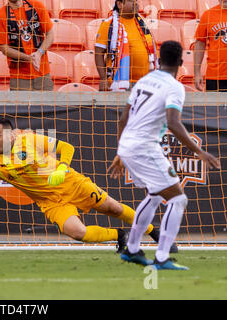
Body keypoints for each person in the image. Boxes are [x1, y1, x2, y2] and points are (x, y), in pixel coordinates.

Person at [0, 118, 170, 250]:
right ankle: (120, 236)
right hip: (50, 201)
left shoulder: (30, 139)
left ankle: (152, 231)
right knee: (78, 233)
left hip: (71, 183)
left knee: (113, 208)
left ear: (11, 133)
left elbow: (66, 147)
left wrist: (63, 168)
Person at [109, 41, 221, 270]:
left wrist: (120, 151)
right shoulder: (174, 87)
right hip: (144, 147)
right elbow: (173, 122)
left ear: (159, 60)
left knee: (155, 196)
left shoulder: (144, 80)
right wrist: (199, 151)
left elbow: (123, 118)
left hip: (129, 145)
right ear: (181, 63)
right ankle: (161, 258)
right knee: (178, 199)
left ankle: (131, 250)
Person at [95, 0, 158, 91]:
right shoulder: (109, 24)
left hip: (144, 84)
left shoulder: (142, 25)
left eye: (136, 1)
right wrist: (103, 78)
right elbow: (99, 53)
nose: (135, 4)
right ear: (120, 4)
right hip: (119, 83)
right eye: (131, 1)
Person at [0, 0, 55, 91]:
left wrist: (39, 53)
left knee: (46, 105)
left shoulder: (36, 6)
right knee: (21, 105)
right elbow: (4, 49)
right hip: (19, 77)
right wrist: (29, 58)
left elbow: (50, 34)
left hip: (43, 73)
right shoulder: (0, 15)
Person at [194, 0, 227, 92]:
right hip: (215, 77)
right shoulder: (208, 15)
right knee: (214, 106)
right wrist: (197, 73)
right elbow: (200, 43)